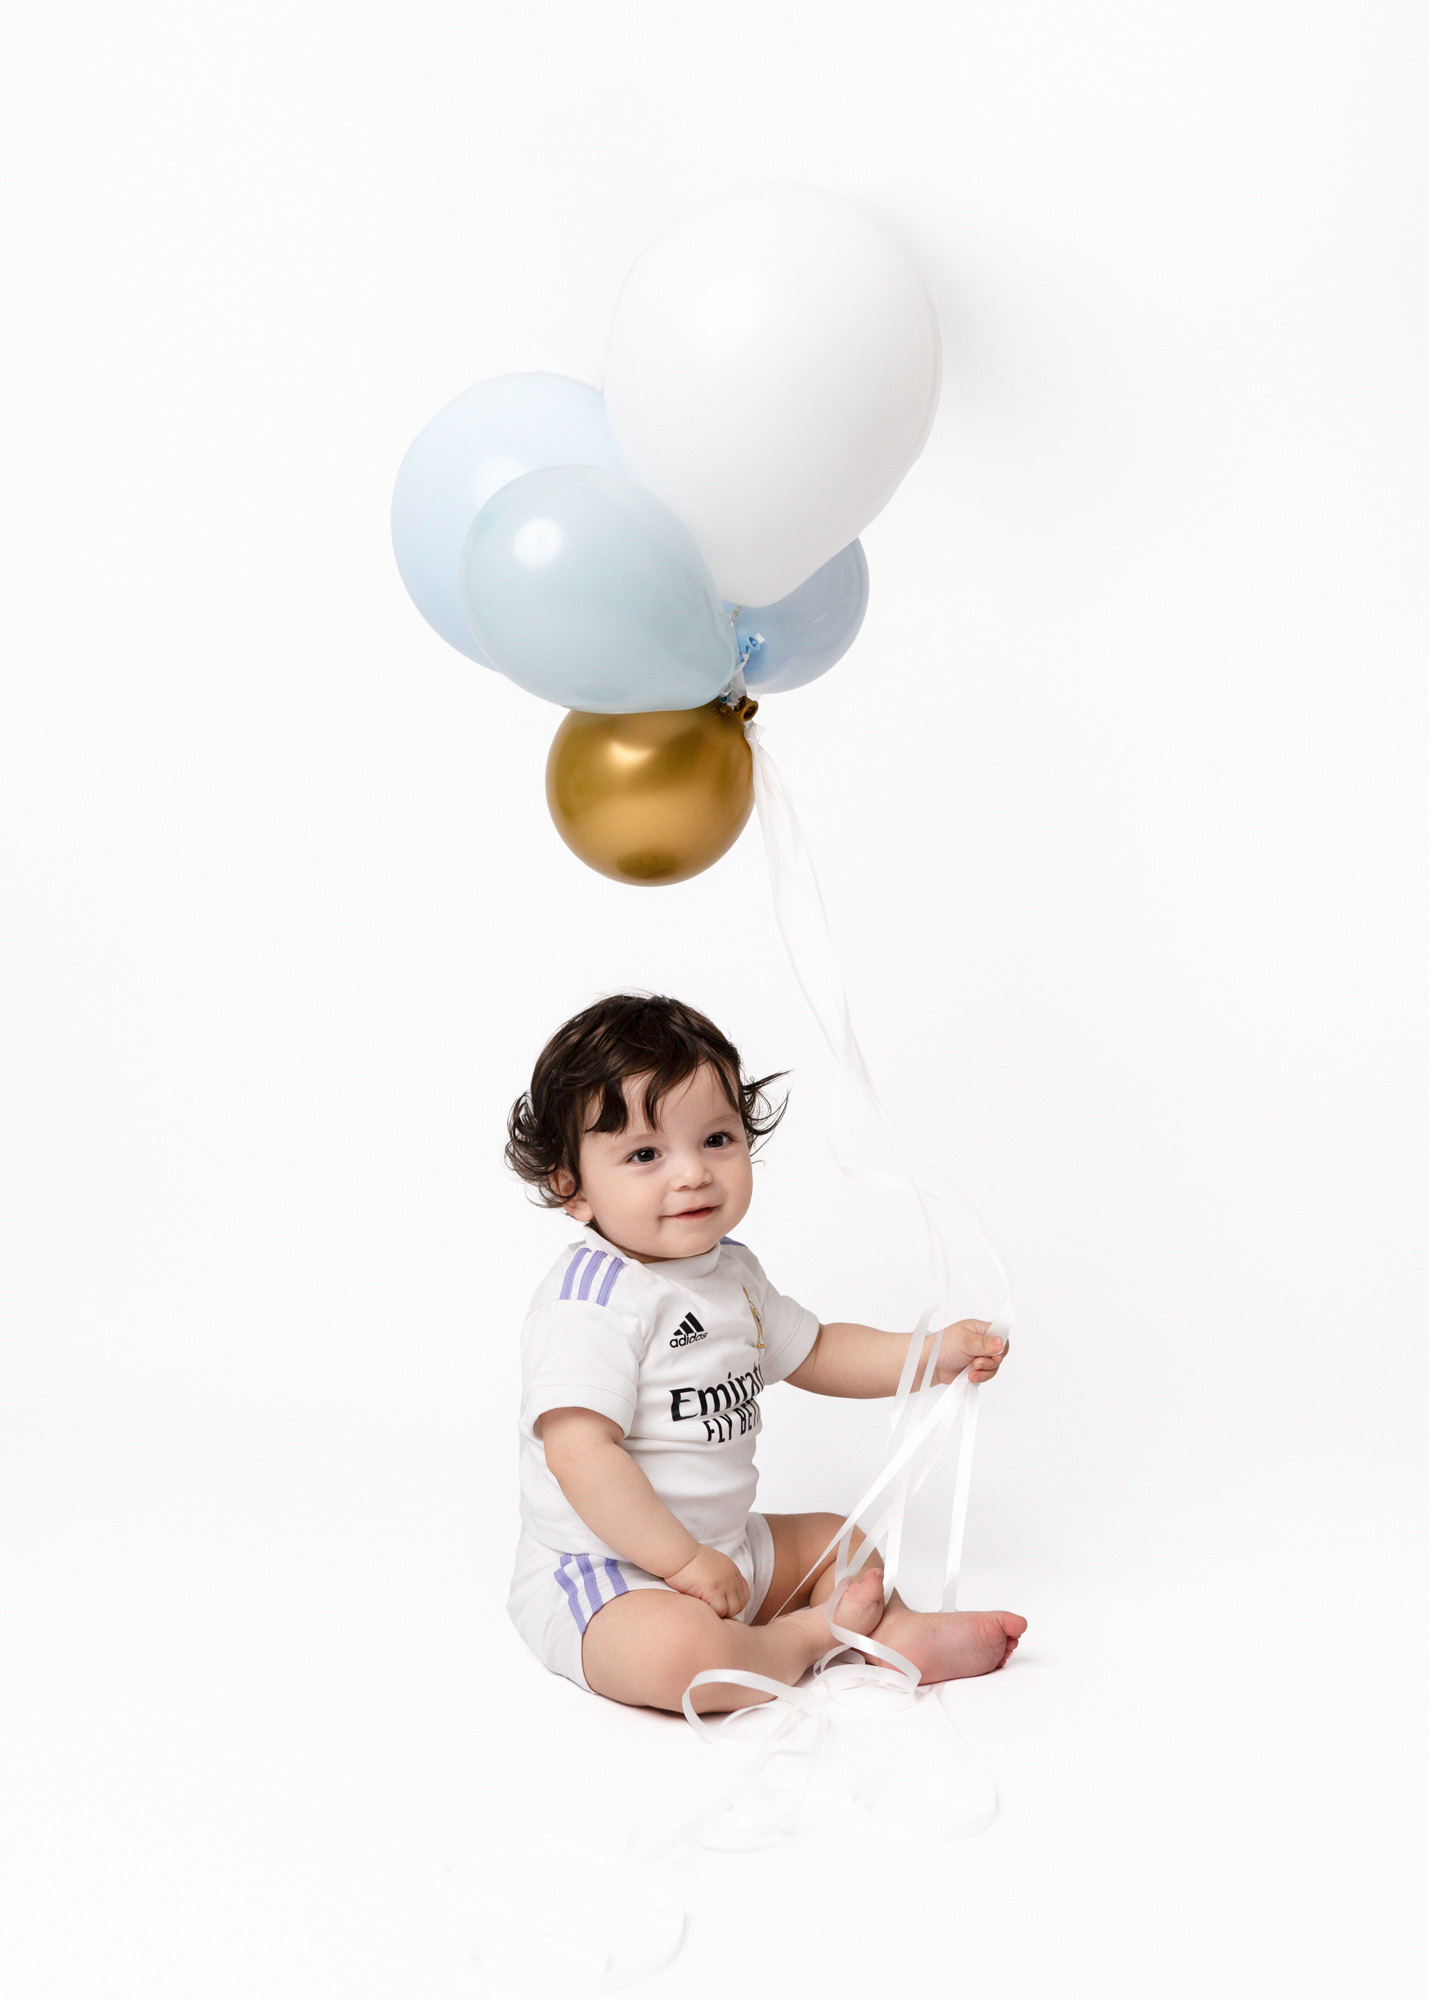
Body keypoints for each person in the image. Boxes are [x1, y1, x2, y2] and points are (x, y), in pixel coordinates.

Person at [505, 993, 1026, 1714]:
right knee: (685, 1660)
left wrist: (931, 1356)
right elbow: (580, 1454)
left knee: (842, 1542)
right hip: (609, 1574)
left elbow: (816, 1351)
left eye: (715, 1139)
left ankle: (893, 1631)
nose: (691, 1173)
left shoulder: (733, 1273)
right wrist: (682, 1562)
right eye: (645, 1155)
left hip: (725, 1552)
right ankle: (808, 1638)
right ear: (572, 1188)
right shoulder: (591, 1299)